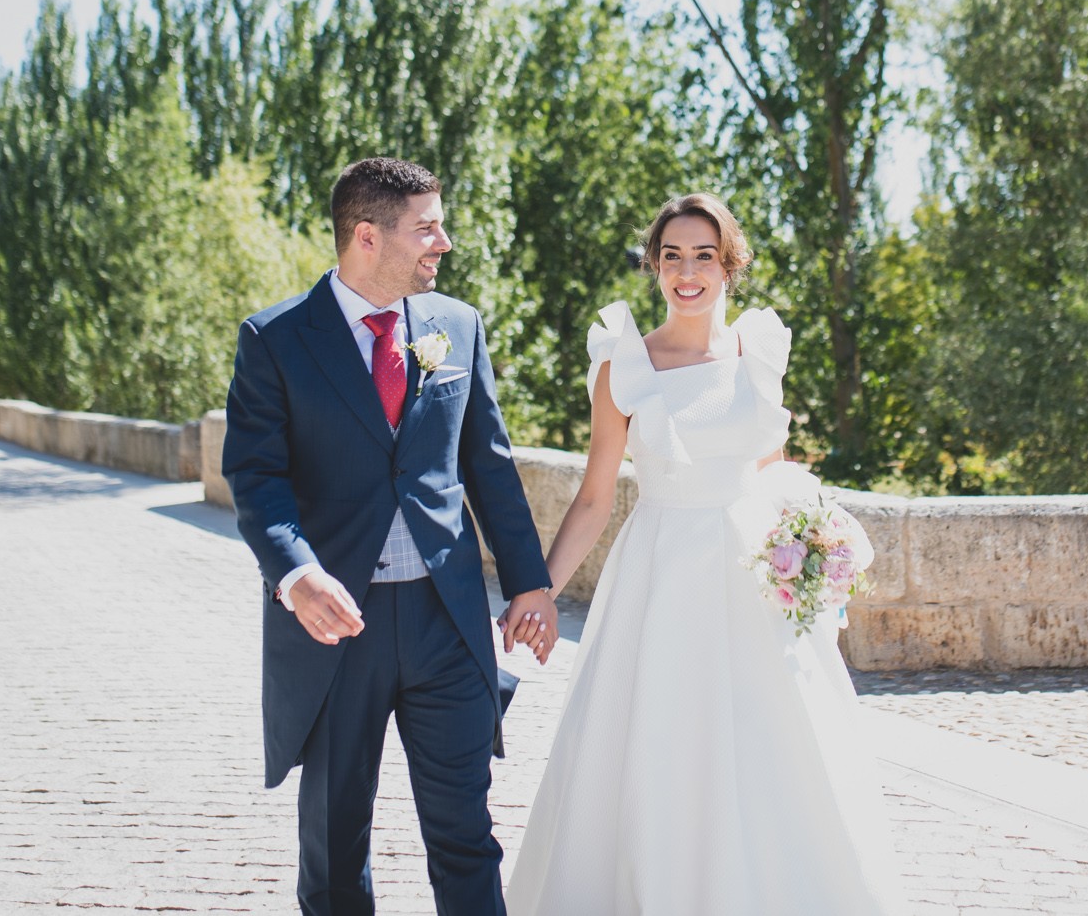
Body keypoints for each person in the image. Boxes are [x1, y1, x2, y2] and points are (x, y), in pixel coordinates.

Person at [502, 192, 907, 915]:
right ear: (654, 266)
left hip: (755, 584)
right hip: (661, 576)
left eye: (704, 256)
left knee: (776, 749)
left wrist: (817, 555)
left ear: (729, 265)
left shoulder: (758, 354)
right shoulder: (624, 366)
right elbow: (595, 496)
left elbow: (774, 474)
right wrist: (539, 589)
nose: (687, 272)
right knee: (661, 748)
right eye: (671, 256)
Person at [221, 156, 557, 916]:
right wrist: (296, 572)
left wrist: (529, 580)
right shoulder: (275, 339)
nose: (444, 241)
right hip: (338, 626)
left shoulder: (457, 326)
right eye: (427, 228)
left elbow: (490, 465)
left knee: (467, 834)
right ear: (366, 236)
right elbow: (255, 475)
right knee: (336, 846)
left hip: (448, 622)